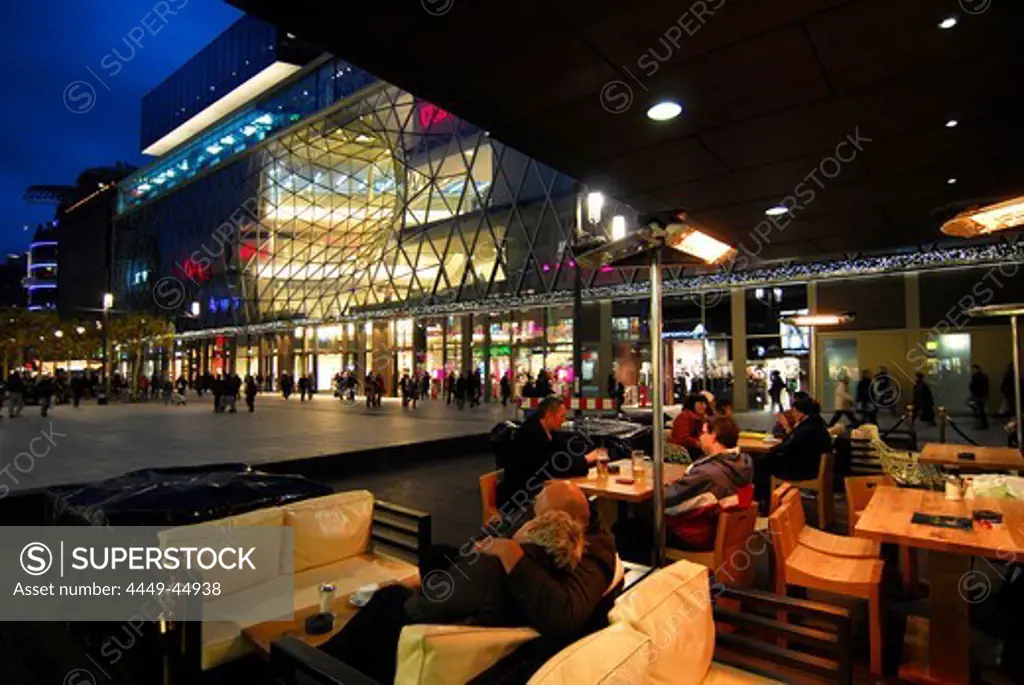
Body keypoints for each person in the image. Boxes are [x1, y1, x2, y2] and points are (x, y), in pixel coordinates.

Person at [322, 481, 616, 684]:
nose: (531, 509)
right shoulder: (555, 530)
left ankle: (320, 663)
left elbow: (563, 614)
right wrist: (491, 545)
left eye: (538, 507)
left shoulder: (593, 554)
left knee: (388, 601)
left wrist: (509, 550)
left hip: (480, 613)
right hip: (487, 593)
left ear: (556, 519)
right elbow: (486, 542)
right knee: (437, 557)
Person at [496, 397, 604, 527]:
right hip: (521, 497)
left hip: (537, 489)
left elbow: (563, 452)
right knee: (579, 506)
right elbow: (553, 465)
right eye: (561, 416)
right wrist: (586, 459)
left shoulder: (547, 431)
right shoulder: (530, 435)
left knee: (585, 505)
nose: (564, 421)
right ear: (549, 416)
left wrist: (586, 452)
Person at [665, 416, 753, 550]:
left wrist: (665, 488)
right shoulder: (744, 463)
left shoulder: (707, 473)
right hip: (730, 535)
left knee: (636, 527)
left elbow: (668, 500)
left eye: (703, 432)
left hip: (700, 537)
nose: (699, 437)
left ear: (713, 436)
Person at [756, 395, 832, 512]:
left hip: (802, 470)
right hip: (811, 465)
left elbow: (788, 446)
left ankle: (765, 504)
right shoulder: (816, 424)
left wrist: (786, 430)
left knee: (762, 462)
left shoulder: (806, 428)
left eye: (794, 411)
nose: (793, 414)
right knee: (766, 460)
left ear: (801, 412)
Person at [668, 394, 709, 460]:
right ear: (692, 404)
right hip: (684, 449)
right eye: (700, 403)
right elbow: (682, 438)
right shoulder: (684, 416)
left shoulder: (701, 418)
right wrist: (698, 443)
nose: (704, 406)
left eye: (705, 403)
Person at [970, 364, 990, 429]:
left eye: (973, 369)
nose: (972, 371)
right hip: (983, 395)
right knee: (981, 410)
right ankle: (983, 424)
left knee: (979, 410)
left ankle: (981, 424)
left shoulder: (975, 377)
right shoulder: (984, 376)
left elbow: (973, 386)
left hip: (978, 396)